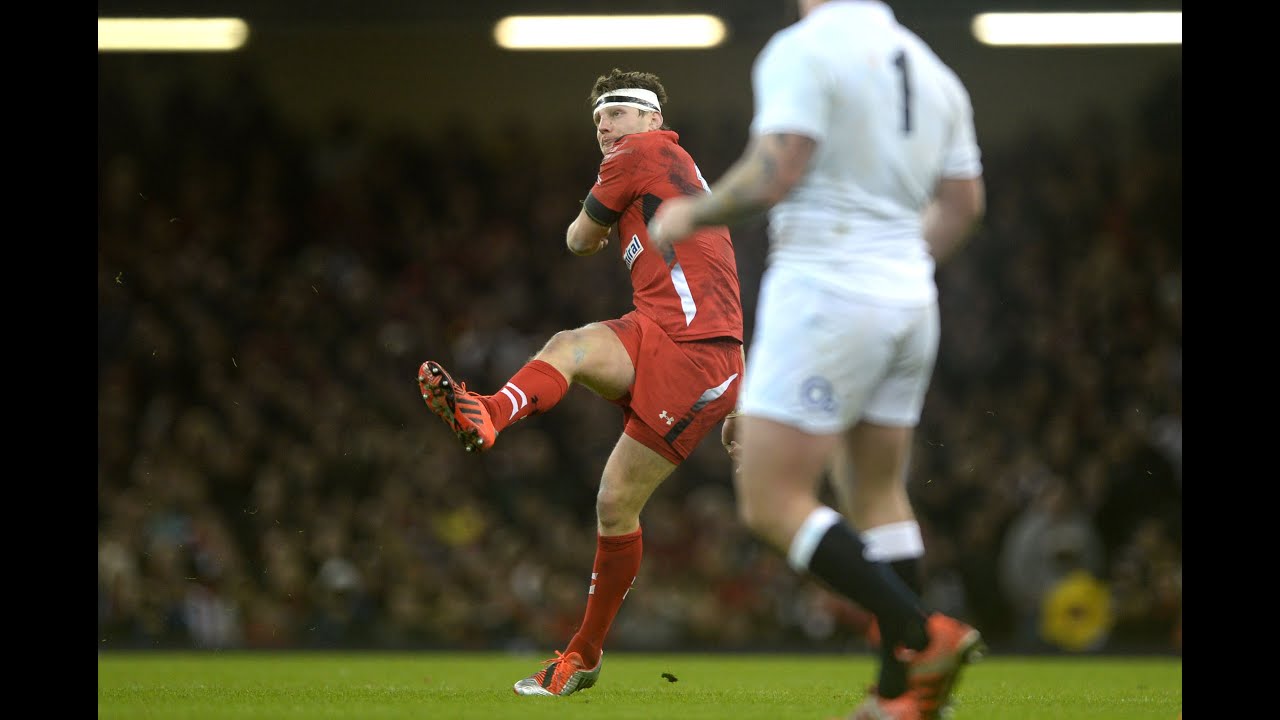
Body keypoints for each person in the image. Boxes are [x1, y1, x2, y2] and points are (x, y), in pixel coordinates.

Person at [648, 1, 987, 718]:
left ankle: (922, 637)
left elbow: (777, 170)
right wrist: (894, 266)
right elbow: (964, 203)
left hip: (828, 288)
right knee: (876, 492)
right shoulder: (934, 71)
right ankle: (900, 698)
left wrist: (690, 213)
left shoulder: (803, 48)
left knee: (772, 501)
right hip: (908, 299)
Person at [416, 68, 745, 697]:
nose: (603, 123)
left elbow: (576, 240)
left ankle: (584, 655)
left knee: (616, 504)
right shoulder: (669, 167)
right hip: (663, 330)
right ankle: (487, 412)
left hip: (696, 356)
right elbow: (719, 283)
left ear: (651, 118)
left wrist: (601, 216)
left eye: (617, 110)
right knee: (567, 347)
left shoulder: (642, 153)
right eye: (597, 115)